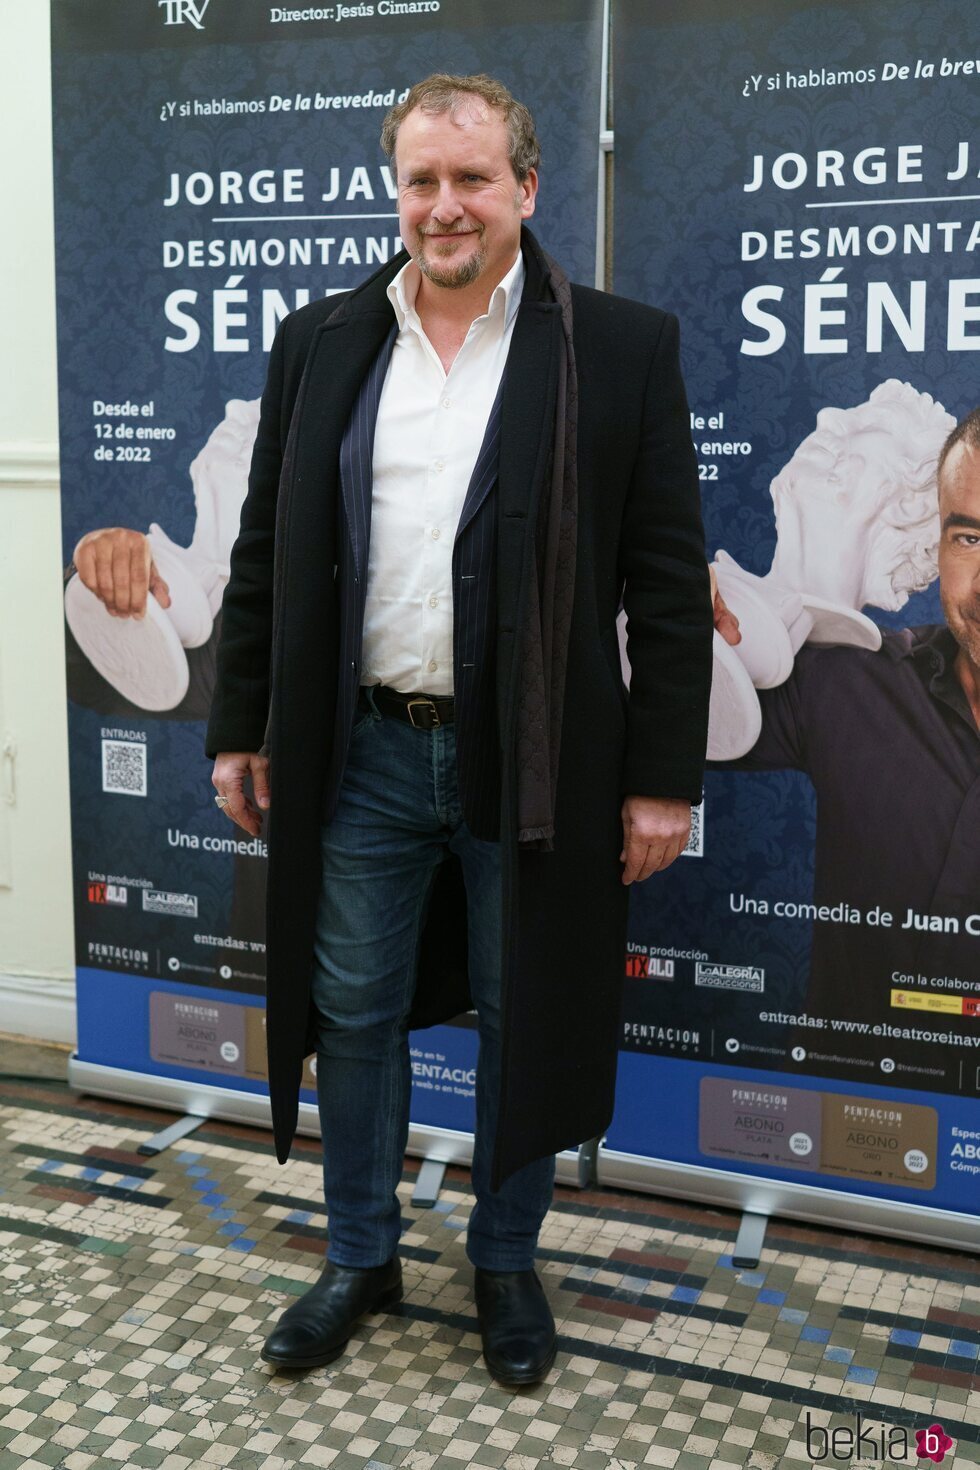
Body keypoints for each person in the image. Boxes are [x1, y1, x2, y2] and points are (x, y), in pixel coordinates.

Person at [205, 73, 713, 1385]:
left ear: (525, 190)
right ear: (397, 193)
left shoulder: (619, 347)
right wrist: (237, 724)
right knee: (353, 1009)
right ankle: (359, 1252)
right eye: (422, 181)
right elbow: (264, 553)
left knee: (523, 1007)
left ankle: (503, 1257)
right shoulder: (321, 342)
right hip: (359, 753)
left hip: (535, 762)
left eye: (473, 178)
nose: (446, 206)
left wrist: (664, 780)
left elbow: (664, 586)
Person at [714, 407, 980, 1068]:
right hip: (840, 1119)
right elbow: (653, 716)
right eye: (969, 538)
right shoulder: (855, 681)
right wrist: (674, 605)